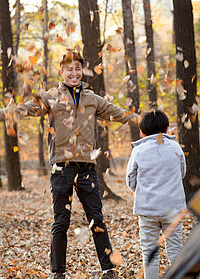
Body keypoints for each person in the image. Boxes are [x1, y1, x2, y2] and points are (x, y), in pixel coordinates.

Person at [1, 51, 138, 279]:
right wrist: (4, 114)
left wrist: (144, 120)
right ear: (61, 71)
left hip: (87, 168)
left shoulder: (92, 98)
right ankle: (58, 272)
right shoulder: (52, 96)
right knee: (61, 221)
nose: (73, 72)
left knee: (97, 219)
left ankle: (108, 269)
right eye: (69, 69)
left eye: (77, 68)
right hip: (61, 168)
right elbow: (27, 109)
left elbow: (117, 113)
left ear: (82, 71)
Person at [126, 110, 186, 279]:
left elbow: (131, 179)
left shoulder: (139, 151)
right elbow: (182, 173)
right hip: (173, 208)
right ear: (167, 129)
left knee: (149, 253)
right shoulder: (175, 147)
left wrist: (143, 192)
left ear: (142, 131)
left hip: (147, 209)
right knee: (175, 249)